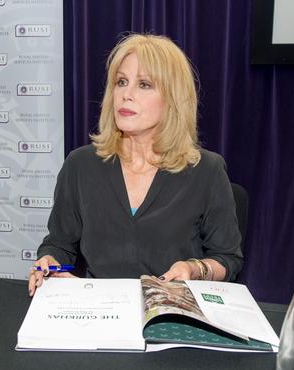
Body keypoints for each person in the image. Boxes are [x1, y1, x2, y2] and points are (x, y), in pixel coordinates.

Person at [28, 33, 243, 297]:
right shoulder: (80, 165)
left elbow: (227, 259)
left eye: (144, 85)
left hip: (171, 310)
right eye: (121, 82)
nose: (126, 95)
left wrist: (194, 268)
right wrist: (49, 262)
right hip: (98, 311)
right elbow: (58, 244)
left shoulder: (206, 170)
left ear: (173, 98)